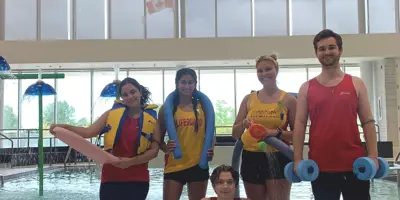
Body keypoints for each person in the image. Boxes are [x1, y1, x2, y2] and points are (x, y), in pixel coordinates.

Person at [292, 29, 379, 200]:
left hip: (355, 165)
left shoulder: (356, 83)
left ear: (340, 50)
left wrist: (373, 156)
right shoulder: (306, 88)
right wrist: (297, 159)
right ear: (316, 53)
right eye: (322, 49)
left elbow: (368, 122)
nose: (327, 52)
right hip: (320, 166)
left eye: (331, 47)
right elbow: (300, 124)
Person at [50, 77, 160, 200]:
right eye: (125, 94)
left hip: (138, 179)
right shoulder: (110, 115)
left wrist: (130, 162)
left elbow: (154, 151)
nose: (130, 96)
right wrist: (64, 128)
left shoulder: (152, 120)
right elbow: (88, 132)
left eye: (133, 92)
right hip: (111, 178)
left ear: (140, 91)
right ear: (122, 99)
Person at [232, 54, 297, 200]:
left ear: (276, 70)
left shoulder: (288, 100)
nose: (264, 74)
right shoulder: (248, 99)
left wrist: (273, 133)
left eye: (268, 69)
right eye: (260, 71)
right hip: (251, 157)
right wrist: (243, 124)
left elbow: (297, 134)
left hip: (279, 155)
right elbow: (235, 134)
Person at [157, 68, 214, 200]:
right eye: (183, 82)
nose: (187, 86)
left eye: (190, 82)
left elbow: (211, 132)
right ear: (177, 84)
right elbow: (158, 140)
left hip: (198, 164)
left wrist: (211, 148)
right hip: (174, 164)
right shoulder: (167, 109)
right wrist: (166, 148)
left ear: (195, 84)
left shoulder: (203, 107)